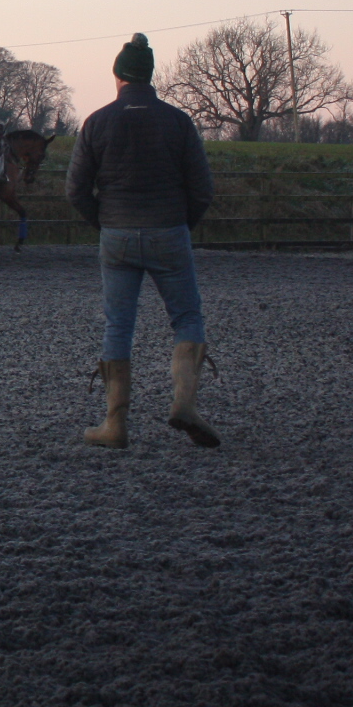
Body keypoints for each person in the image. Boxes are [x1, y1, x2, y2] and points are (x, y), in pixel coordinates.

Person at [64, 32, 219, 448]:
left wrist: (105, 223)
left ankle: (115, 425)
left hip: (116, 234)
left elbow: (76, 189)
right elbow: (202, 188)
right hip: (168, 229)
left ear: (118, 77)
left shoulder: (97, 121)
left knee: (119, 324)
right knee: (186, 318)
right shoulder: (178, 121)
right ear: (151, 77)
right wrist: (181, 223)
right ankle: (184, 403)